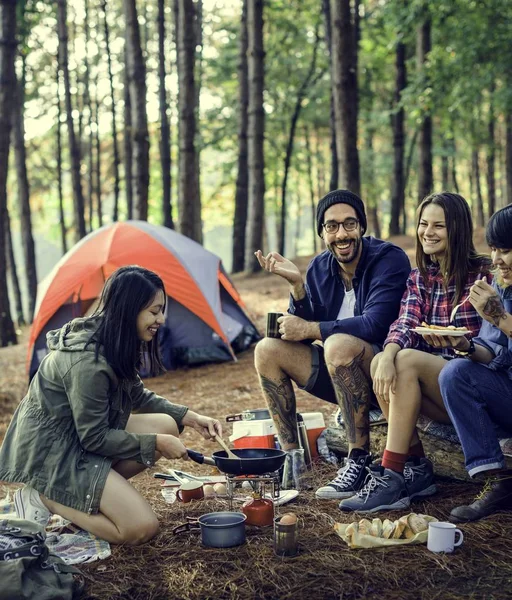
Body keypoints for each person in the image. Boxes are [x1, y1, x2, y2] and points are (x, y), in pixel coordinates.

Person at [0, 266, 222, 545]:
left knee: (167, 423)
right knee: (140, 528)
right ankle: (48, 498)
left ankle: (88, 495)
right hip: (54, 455)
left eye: (162, 310)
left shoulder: (113, 341)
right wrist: (155, 442)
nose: (161, 319)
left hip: (77, 440)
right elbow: (94, 437)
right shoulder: (88, 363)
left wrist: (190, 417)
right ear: (129, 310)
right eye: (154, 311)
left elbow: (138, 396)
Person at [340, 191, 492, 512]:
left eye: (439, 225)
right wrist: (388, 352)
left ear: (458, 230)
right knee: (387, 358)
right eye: (424, 224)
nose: (428, 233)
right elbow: (405, 322)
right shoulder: (421, 278)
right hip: (442, 396)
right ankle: (417, 467)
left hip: (478, 390)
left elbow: (493, 345)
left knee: (403, 359)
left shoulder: (484, 275)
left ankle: (390, 474)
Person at [254, 189, 411, 494]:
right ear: (322, 233)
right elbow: (302, 325)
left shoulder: (389, 259)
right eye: (332, 226)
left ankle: (358, 459)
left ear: (362, 227)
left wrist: (310, 329)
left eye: (349, 224)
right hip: (340, 375)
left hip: (385, 375)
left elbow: (375, 322)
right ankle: (292, 460)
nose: (342, 234)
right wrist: (297, 286)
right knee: (266, 350)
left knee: (338, 343)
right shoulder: (319, 268)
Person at [438, 204, 512, 522]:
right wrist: (466, 347)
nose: (495, 260)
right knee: (455, 372)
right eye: (493, 249)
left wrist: (502, 318)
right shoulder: (502, 286)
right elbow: (493, 353)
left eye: (506, 250)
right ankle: (500, 480)